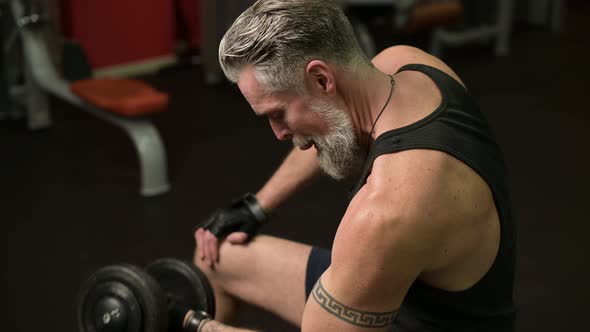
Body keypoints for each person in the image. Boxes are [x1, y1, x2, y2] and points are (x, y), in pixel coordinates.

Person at [192, 0, 516, 331]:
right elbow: (332, 120)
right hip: (407, 294)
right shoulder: (406, 64)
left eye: (278, 113)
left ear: (321, 79)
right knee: (214, 258)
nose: (278, 133)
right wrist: (257, 206)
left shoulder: (386, 211)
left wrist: (197, 325)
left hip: (420, 320)